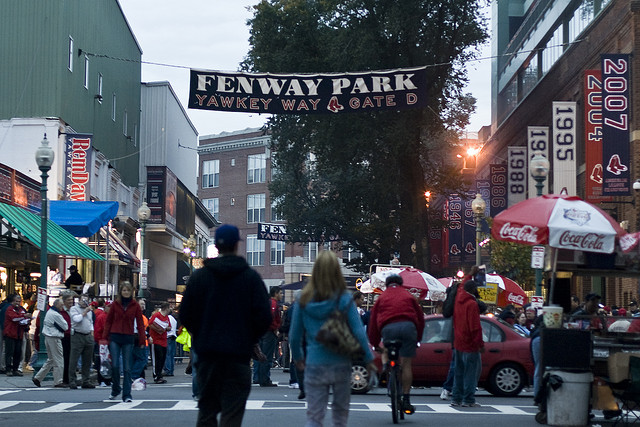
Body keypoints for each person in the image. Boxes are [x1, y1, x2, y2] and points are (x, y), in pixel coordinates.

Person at [180, 223, 272, 426]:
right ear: (236, 245)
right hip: (238, 356)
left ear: (217, 247)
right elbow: (264, 317)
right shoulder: (251, 278)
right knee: (233, 414)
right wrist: (249, 338)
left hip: (208, 356)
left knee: (206, 413)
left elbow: (185, 314)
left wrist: (201, 333)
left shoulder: (200, 278)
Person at [290, 251, 374, 427]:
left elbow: (294, 336)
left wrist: (298, 359)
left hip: (314, 363)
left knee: (314, 416)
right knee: (340, 415)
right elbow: (358, 331)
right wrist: (368, 358)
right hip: (340, 363)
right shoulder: (344, 298)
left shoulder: (302, 299)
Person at [368, 274, 425, 414]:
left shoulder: (381, 297)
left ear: (386, 285)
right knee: (406, 364)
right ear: (401, 284)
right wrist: (417, 338)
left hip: (388, 328)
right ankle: (406, 398)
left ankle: (387, 367)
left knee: (386, 349)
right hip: (408, 327)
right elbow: (420, 319)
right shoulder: (408, 296)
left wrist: (375, 344)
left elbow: (373, 324)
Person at [101, 281, 146, 403]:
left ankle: (127, 394)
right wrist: (104, 337)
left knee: (127, 368)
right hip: (115, 337)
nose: (126, 292)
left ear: (131, 291)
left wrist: (142, 339)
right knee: (115, 365)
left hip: (128, 338)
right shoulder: (115, 305)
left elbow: (140, 324)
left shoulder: (135, 306)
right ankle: (115, 389)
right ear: (120, 292)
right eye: (124, 290)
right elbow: (108, 321)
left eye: (128, 290)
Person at [451, 279, 484, 408]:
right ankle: (468, 399)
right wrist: (480, 344)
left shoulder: (458, 301)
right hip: (470, 343)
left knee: (458, 371)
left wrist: (471, 273)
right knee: (470, 372)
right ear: (473, 290)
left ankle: (456, 398)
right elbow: (475, 327)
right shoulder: (472, 304)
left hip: (458, 341)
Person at [32, 298, 68, 388]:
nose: (62, 307)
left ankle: (38, 377)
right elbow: (65, 326)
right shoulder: (56, 315)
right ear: (57, 305)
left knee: (51, 359)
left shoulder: (49, 312)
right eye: (61, 305)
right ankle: (58, 381)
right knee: (59, 360)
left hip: (48, 337)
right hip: (54, 337)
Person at [254, 285, 283, 387]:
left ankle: (259, 377)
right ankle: (264, 379)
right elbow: (270, 318)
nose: (282, 295)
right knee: (267, 355)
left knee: (260, 354)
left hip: (262, 331)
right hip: (269, 332)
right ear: (275, 293)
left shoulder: (266, 303)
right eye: (280, 293)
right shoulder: (273, 304)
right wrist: (275, 328)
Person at [68, 294, 95, 389]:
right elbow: (76, 320)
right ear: (79, 300)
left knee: (87, 360)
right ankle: (72, 380)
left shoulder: (89, 311)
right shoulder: (74, 309)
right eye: (83, 300)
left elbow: (90, 322)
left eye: (86, 300)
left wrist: (92, 334)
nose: (85, 302)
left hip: (88, 335)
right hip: (77, 335)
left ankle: (86, 380)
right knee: (74, 359)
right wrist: (84, 312)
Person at [3, 293, 31, 376]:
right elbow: (14, 318)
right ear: (12, 301)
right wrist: (25, 316)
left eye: (19, 301)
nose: (18, 303)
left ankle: (15, 369)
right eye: (16, 301)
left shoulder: (21, 309)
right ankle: (8, 369)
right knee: (9, 352)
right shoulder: (10, 309)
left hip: (19, 334)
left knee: (18, 352)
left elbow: (20, 318)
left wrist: (26, 320)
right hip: (10, 334)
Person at [149, 302, 171, 384]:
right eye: (169, 308)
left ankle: (159, 374)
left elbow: (169, 327)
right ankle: (156, 375)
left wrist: (165, 328)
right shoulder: (156, 315)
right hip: (156, 340)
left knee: (162, 358)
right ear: (166, 308)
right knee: (157, 359)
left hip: (163, 340)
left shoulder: (166, 317)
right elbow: (150, 323)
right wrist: (159, 329)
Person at [131, 298, 150, 380]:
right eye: (141, 304)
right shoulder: (135, 315)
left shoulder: (143, 316)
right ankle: (134, 375)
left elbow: (144, 329)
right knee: (142, 359)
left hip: (139, 338)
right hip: (136, 338)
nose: (143, 306)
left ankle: (135, 376)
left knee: (136, 359)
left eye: (144, 304)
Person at [163, 308, 178, 377]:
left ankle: (168, 370)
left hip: (168, 337)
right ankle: (171, 370)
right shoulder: (174, 319)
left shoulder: (167, 318)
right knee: (171, 355)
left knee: (167, 355)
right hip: (173, 337)